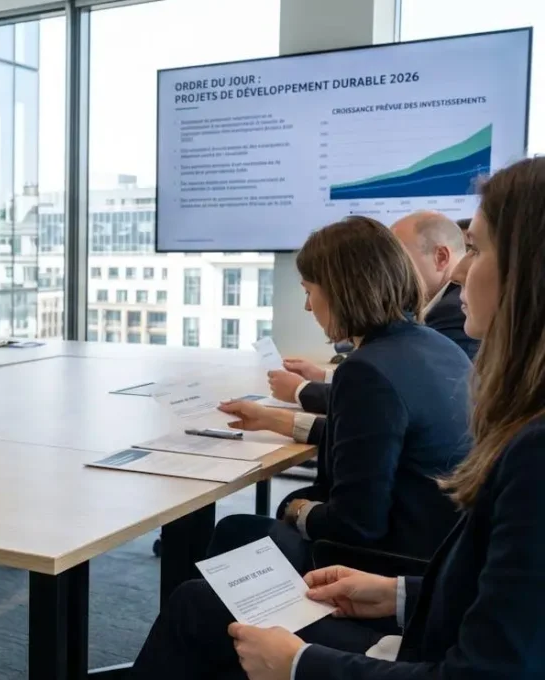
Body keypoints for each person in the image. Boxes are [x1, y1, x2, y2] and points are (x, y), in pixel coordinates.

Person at [127, 155, 545, 680]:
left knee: (202, 597)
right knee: (232, 559)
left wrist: (299, 664)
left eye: (477, 249)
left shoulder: (532, 449)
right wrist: (395, 595)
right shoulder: (437, 349)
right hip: (413, 582)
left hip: (408, 616)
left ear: (529, 272)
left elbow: (488, 670)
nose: (460, 269)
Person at [212, 216, 469, 572]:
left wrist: (297, 509)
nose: (307, 307)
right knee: (235, 531)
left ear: (340, 291)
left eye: (308, 291)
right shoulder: (439, 346)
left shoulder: (366, 369)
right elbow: (379, 441)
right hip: (442, 552)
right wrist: (279, 421)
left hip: (386, 563)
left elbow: (356, 525)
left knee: (211, 572)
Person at [269, 211, 478, 413]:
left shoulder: (454, 312)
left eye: (399, 255)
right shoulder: (428, 338)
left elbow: (385, 390)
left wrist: (300, 391)